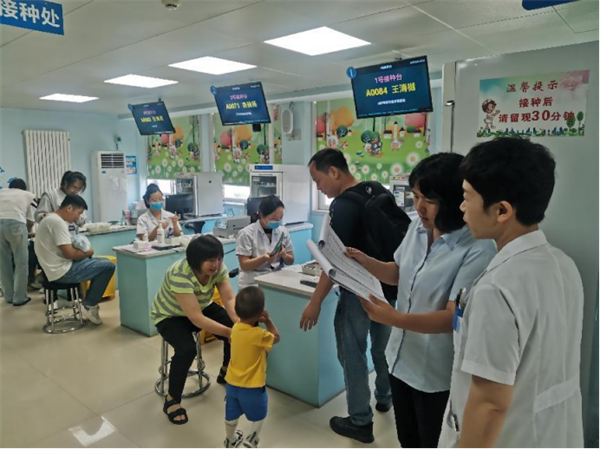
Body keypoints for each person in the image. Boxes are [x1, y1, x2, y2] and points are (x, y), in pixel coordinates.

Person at [438, 137, 584, 449]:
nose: (462, 207)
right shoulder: (563, 264)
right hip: (552, 433)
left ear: (502, 210)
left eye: (467, 197)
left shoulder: (497, 289)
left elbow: (489, 403)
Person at [346, 154, 496, 449]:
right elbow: (398, 272)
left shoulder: (477, 248)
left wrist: (394, 318)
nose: (419, 207)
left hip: (435, 373)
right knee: (407, 439)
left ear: (454, 201)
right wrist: (365, 262)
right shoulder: (417, 228)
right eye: (415, 196)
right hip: (399, 360)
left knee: (431, 441)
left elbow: (453, 317)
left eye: (429, 200)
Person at [300, 148, 396, 444]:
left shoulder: (341, 207)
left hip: (358, 292)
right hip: (388, 287)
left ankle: (360, 421)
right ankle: (385, 397)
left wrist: (315, 302)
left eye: (317, 180)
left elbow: (334, 264)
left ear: (334, 172)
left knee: (352, 353)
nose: (318, 188)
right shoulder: (377, 189)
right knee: (382, 349)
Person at [151, 235, 238, 425]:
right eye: (210, 260)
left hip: (200, 307)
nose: (216, 264)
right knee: (187, 349)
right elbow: (196, 318)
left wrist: (238, 324)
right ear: (195, 260)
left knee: (237, 329)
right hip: (169, 315)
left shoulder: (219, 269)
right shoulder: (179, 273)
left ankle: (226, 370)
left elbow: (229, 299)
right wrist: (230, 333)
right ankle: (172, 399)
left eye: (219, 258)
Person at [34, 195, 115, 324]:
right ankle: (89, 304)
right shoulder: (57, 223)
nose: (78, 217)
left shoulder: (49, 219)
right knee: (108, 266)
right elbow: (70, 254)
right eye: (78, 213)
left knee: (96, 262)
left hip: (51, 270)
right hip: (62, 272)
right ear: (69, 208)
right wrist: (89, 251)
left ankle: (86, 300)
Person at [224, 286, 280, 449]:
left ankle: (230, 440)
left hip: (232, 384)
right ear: (260, 312)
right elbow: (276, 337)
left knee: (231, 414)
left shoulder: (235, 329)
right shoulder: (259, 335)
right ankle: (252, 439)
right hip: (253, 386)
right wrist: (268, 321)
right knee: (259, 413)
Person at [236, 195, 294, 290]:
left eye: (280, 218)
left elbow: (291, 261)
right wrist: (263, 259)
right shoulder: (246, 233)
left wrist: (285, 255)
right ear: (261, 215)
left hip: (276, 280)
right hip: (252, 283)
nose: (278, 222)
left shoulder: (283, 231)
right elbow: (244, 265)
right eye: (274, 218)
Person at [0, 178, 36, 306]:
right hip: (15, 224)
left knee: (3, 263)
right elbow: (30, 221)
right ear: (23, 188)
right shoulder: (26, 195)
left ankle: (8, 296)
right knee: (21, 262)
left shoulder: (2, 192)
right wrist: (27, 231)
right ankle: (20, 297)